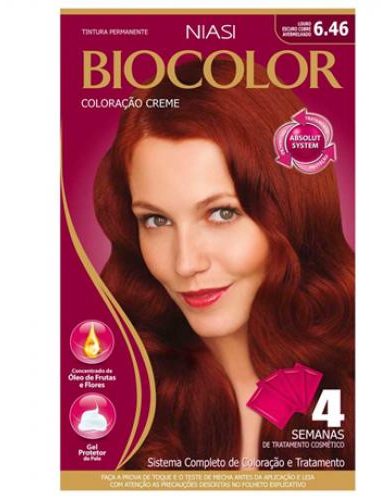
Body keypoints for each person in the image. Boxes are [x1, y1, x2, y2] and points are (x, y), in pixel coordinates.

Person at [94, 58, 355, 470]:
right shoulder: (111, 396)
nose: (185, 263)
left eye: (221, 213)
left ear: (290, 211)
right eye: (156, 220)